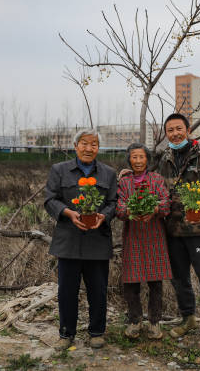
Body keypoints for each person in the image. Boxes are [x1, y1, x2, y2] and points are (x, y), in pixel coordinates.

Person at [155, 113, 200, 350]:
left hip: (199, 229)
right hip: (173, 230)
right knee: (179, 279)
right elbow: (154, 184)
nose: (175, 133)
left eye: (179, 128)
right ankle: (188, 319)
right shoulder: (164, 157)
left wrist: (196, 209)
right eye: (170, 130)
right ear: (166, 134)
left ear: (188, 130)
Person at [44, 129, 118, 350]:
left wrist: (103, 215)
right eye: (84, 144)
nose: (89, 148)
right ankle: (66, 334)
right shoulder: (59, 170)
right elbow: (50, 200)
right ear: (75, 146)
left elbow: (114, 202)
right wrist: (68, 213)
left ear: (98, 147)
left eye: (93, 144)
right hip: (68, 241)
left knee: (98, 289)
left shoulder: (108, 173)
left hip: (97, 240)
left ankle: (96, 332)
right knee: (67, 291)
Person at [115, 143, 171, 340]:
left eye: (141, 157)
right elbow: (119, 209)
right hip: (134, 237)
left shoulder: (157, 180)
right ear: (129, 160)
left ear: (147, 159)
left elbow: (166, 204)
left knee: (156, 283)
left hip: (154, 237)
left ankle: (155, 322)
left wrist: (154, 210)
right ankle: (135, 320)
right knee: (131, 282)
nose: (138, 161)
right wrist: (130, 211)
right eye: (134, 157)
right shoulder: (124, 182)